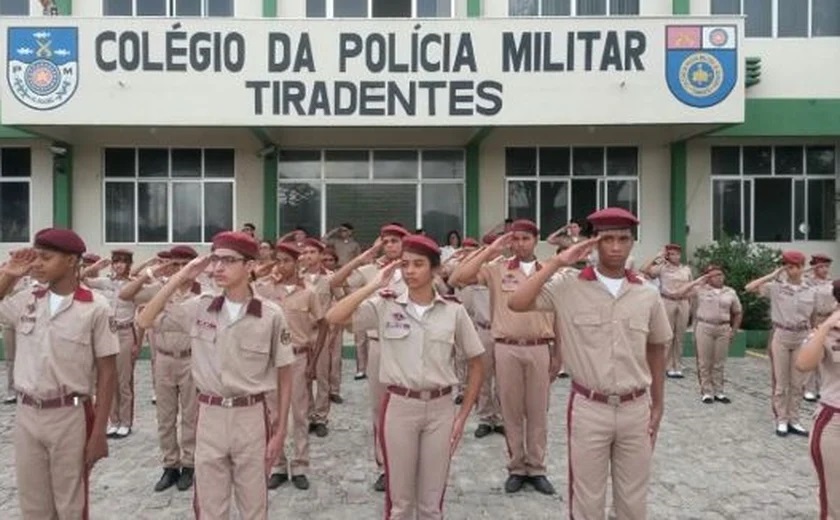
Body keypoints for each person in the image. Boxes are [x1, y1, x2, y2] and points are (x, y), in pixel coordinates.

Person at [508, 207, 672, 520]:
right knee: (587, 500)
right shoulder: (567, 286)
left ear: (632, 243)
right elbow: (517, 302)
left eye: (623, 239)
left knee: (633, 501)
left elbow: (656, 349)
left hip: (635, 408)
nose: (615, 247)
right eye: (606, 238)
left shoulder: (646, 294)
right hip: (589, 407)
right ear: (593, 243)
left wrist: (659, 404)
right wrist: (557, 260)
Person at [325, 234, 485, 520]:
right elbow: (334, 317)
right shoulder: (386, 305)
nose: (410, 271)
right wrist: (374, 285)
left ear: (435, 269)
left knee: (431, 503)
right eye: (406, 265)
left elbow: (476, 362)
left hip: (440, 409)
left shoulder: (453, 311)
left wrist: (462, 416)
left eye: (418, 264)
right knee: (400, 504)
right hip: (400, 406)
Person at [136, 231, 294, 520]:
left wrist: (281, 429)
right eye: (215, 260)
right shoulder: (200, 307)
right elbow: (145, 319)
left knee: (254, 505)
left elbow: (285, 374)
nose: (217, 268)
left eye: (228, 261)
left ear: (250, 266)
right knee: (210, 506)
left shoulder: (270, 315)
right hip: (208, 414)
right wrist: (182, 275)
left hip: (251, 415)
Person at [0, 228, 118, 519]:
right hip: (28, 414)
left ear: (71, 262)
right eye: (35, 256)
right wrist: (10, 274)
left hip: (70, 415)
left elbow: (107, 372)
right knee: (34, 505)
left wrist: (99, 433)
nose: (36, 263)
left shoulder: (96, 307)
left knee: (71, 505)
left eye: (45, 257)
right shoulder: (27, 299)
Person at [450, 219, 560, 496]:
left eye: (526, 238)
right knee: (510, 409)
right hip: (506, 346)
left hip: (539, 346)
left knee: (537, 410)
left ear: (536, 240)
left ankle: (536, 467)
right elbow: (458, 277)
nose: (520, 244)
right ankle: (516, 467)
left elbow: (560, 316)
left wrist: (559, 354)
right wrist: (491, 250)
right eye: (516, 239)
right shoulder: (497, 269)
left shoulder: (549, 270)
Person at [330, 224, 409, 492]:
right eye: (385, 241)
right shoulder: (370, 271)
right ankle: (385, 467)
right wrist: (363, 258)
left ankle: (409, 466)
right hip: (379, 344)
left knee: (408, 409)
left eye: (395, 241)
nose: (390, 245)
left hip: (409, 345)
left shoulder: (414, 269)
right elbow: (336, 282)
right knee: (380, 410)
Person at [118, 245, 202, 492]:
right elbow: (126, 295)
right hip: (164, 359)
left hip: (191, 358)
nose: (179, 270)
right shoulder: (160, 291)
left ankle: (189, 464)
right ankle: (169, 466)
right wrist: (150, 273)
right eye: (174, 265)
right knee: (165, 417)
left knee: (190, 416)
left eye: (184, 265)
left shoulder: (204, 293)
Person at [255, 241, 324, 491]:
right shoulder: (263, 291)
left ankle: (301, 465)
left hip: (298, 358)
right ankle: (278, 466)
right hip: (272, 360)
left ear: (297, 263)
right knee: (273, 413)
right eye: (278, 260)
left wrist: (314, 361)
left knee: (299, 414)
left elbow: (323, 323)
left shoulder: (309, 292)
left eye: (286, 260)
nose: (281, 265)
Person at [746, 251, 815, 437]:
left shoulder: (810, 288)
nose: (787, 269)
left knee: (798, 382)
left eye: (791, 266)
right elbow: (749, 287)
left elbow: (814, 314)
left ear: (801, 267)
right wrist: (772, 274)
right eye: (785, 266)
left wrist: (814, 332)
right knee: (781, 382)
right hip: (782, 335)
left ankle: (794, 419)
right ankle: (781, 419)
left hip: (801, 336)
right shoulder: (777, 287)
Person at [795, 283, 840, 520]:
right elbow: (803, 363)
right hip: (834, 423)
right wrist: (826, 326)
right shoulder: (828, 333)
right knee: (834, 504)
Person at [83, 249, 139, 438]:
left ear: (129, 264)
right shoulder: (105, 282)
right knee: (108, 380)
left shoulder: (134, 285)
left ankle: (125, 421)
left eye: (123, 262)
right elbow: (79, 280)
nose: (118, 265)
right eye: (116, 261)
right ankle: (113, 421)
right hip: (108, 333)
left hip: (125, 332)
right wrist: (93, 268)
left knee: (124, 381)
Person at [671, 265, 743, 403]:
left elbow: (738, 312)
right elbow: (678, 293)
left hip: (723, 327)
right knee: (704, 361)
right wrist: (698, 281)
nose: (719, 277)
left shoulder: (730, 292)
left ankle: (719, 391)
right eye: (715, 275)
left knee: (719, 361)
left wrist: (733, 331)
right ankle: (707, 391)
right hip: (705, 326)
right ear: (708, 278)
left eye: (721, 274)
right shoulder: (700, 290)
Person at [642, 244, 693, 378]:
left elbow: (691, 287)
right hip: (668, 300)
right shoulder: (662, 268)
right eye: (671, 254)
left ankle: (677, 364)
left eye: (677, 254)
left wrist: (691, 306)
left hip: (683, 301)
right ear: (667, 256)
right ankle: (667, 365)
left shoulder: (686, 269)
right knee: (668, 334)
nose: (675, 256)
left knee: (679, 335)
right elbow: (644, 270)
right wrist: (657, 257)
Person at [805, 254, 833, 402]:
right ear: (814, 267)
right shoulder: (808, 282)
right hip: (813, 319)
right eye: (821, 266)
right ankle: (809, 389)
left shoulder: (832, 283)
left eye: (826, 266)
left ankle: (823, 388)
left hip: (829, 319)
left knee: (827, 356)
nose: (824, 269)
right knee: (813, 354)